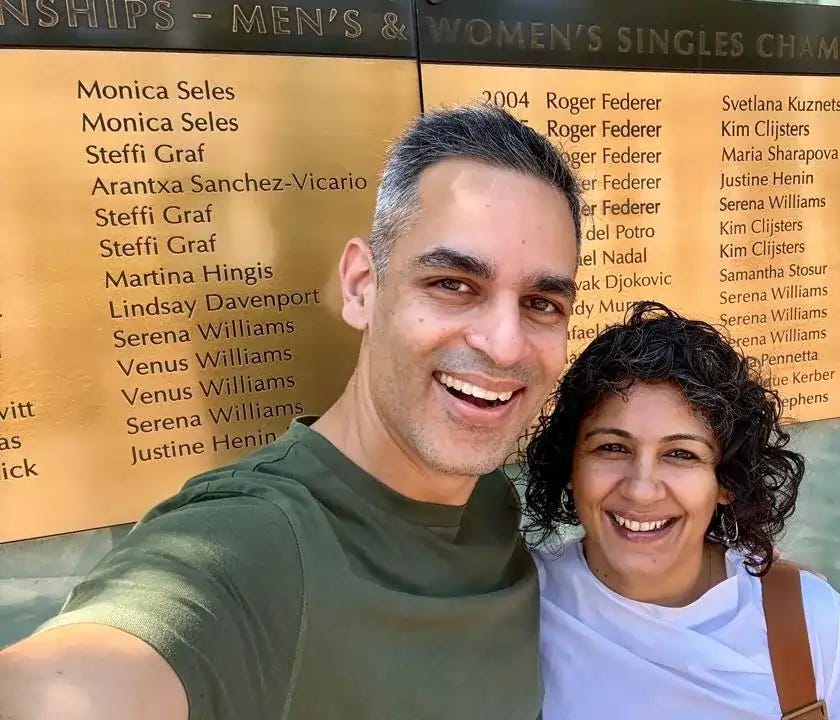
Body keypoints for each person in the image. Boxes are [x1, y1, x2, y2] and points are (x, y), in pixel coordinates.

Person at [0, 105, 583, 719]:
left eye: (542, 303)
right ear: (361, 286)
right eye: (453, 284)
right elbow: (82, 678)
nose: (505, 344)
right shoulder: (253, 547)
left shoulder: (491, 506)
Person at [521, 301, 840, 719]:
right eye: (612, 447)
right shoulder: (519, 608)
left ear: (726, 482)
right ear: (570, 465)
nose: (641, 489)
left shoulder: (809, 621)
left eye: (681, 454)